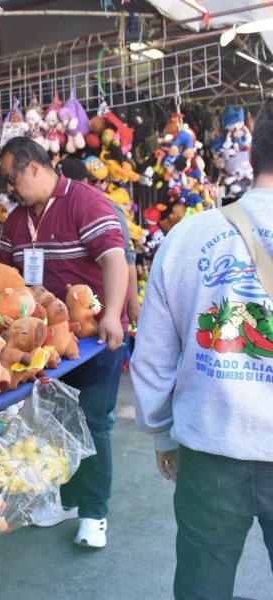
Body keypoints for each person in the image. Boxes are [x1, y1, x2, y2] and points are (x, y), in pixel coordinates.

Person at [131, 98, 273, 599]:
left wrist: (162, 432)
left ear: (252, 153)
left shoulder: (189, 235)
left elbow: (150, 357)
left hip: (209, 452)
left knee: (202, 588)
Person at [0, 137, 129, 548]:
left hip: (93, 341)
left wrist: (111, 313)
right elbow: (4, 279)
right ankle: (67, 497)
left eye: (11, 178)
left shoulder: (84, 202)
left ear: (33, 168)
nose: (9, 189)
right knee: (52, 423)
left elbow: (115, 259)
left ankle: (94, 512)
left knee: (93, 420)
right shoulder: (16, 220)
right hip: (45, 345)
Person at [57, 157, 141, 328]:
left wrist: (133, 303)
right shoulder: (52, 212)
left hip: (103, 316)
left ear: (86, 182)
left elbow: (126, 257)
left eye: (73, 184)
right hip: (65, 320)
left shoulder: (105, 207)